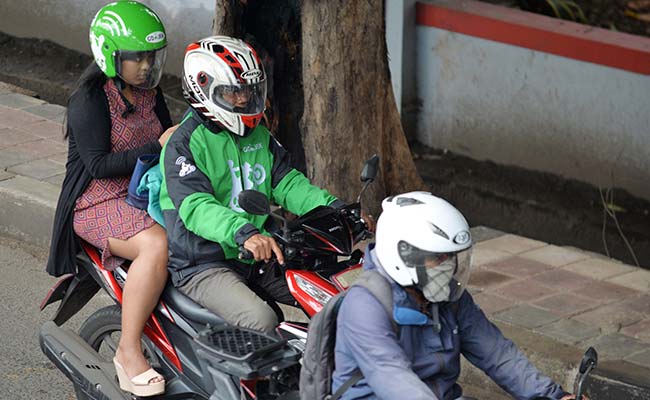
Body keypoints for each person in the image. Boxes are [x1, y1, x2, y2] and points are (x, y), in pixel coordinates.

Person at [159, 35, 350, 334]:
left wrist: (336, 210)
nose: (244, 99)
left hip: (257, 253)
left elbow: (288, 183)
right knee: (261, 320)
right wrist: (243, 233)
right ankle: (253, 381)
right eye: (233, 93)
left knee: (332, 295)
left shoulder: (258, 135)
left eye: (248, 91)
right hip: (204, 263)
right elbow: (196, 207)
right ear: (203, 87)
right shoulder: (184, 144)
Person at [331, 191, 586, 400]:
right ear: (404, 255)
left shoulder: (447, 297)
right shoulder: (365, 305)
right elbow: (394, 380)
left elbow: (496, 353)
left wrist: (554, 396)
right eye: (438, 258)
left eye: (451, 257)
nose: (448, 266)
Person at [46, 1, 177, 397]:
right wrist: (157, 144)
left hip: (144, 191)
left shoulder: (150, 93)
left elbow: (173, 139)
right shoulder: (89, 100)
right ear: (110, 54)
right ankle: (128, 351)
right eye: (135, 57)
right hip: (96, 201)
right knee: (157, 244)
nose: (144, 66)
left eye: (150, 57)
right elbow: (99, 166)